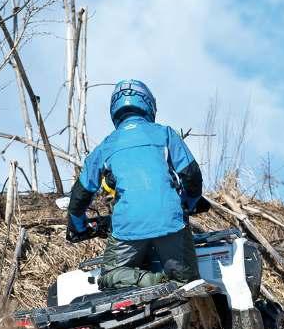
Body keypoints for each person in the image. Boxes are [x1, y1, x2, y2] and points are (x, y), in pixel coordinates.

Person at [67, 79, 203, 289]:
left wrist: (78, 227)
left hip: (127, 228)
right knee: (187, 283)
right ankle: (172, 282)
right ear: (148, 104)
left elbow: (80, 196)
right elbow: (192, 176)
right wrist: (189, 203)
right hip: (170, 222)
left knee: (109, 276)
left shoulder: (105, 146)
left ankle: (151, 281)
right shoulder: (164, 133)